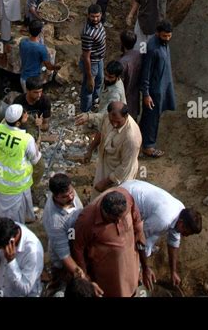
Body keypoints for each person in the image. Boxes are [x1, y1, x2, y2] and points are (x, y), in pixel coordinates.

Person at [71, 189, 152, 297]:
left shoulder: (127, 198)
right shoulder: (86, 220)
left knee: (133, 289)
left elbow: (139, 231)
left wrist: (145, 267)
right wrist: (86, 280)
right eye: (113, 219)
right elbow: (78, 250)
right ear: (104, 211)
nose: (118, 222)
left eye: (121, 217)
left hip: (132, 268)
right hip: (108, 278)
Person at [121, 180, 202, 286]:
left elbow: (173, 242)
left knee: (148, 243)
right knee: (126, 244)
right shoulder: (164, 219)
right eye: (186, 232)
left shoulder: (181, 212)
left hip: (135, 191)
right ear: (181, 223)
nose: (185, 236)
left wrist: (173, 272)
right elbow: (139, 238)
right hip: (125, 196)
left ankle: (134, 272)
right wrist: (145, 269)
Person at [75, 101, 141, 200]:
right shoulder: (108, 117)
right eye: (112, 120)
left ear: (126, 116)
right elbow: (101, 132)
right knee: (97, 199)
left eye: (118, 122)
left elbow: (124, 168)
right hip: (105, 163)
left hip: (120, 176)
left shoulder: (131, 138)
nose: (114, 124)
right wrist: (90, 150)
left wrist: (105, 182)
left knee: (114, 203)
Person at [0, 104, 41, 223]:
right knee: (14, 220)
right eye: (25, 115)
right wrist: (37, 145)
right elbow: (35, 159)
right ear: (18, 123)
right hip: (17, 185)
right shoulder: (26, 139)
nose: (27, 115)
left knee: (2, 214)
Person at [140, 20, 176, 158]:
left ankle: (142, 141)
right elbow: (146, 72)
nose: (167, 39)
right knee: (151, 118)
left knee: (151, 117)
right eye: (164, 36)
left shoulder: (164, 44)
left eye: (169, 36)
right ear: (157, 34)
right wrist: (146, 94)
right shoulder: (152, 48)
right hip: (154, 91)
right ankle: (148, 146)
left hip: (163, 87)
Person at [42, 173, 85, 288]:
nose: (71, 197)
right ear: (55, 196)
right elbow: (65, 256)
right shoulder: (55, 222)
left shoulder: (68, 192)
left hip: (77, 243)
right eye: (66, 196)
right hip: (64, 262)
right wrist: (85, 280)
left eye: (71, 192)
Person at [0, 217, 43, 297]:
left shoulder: (33, 253)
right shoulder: (11, 228)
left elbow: (25, 289)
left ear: (11, 242)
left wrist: (11, 261)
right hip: (4, 289)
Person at [19, 20, 60, 92]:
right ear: (40, 31)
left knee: (26, 99)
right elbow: (49, 67)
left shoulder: (22, 42)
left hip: (23, 78)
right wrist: (56, 67)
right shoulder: (41, 48)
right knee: (34, 100)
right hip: (33, 81)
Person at [79, 4, 106, 112]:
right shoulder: (88, 34)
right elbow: (86, 57)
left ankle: (95, 102)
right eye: (92, 16)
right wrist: (90, 76)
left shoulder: (99, 24)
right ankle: (85, 111)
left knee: (99, 81)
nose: (95, 19)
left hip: (99, 59)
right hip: (92, 63)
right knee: (89, 88)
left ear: (101, 15)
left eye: (97, 16)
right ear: (88, 16)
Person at [119, 30, 142, 120]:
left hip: (124, 97)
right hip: (135, 96)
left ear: (122, 43)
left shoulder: (122, 62)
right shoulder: (139, 55)